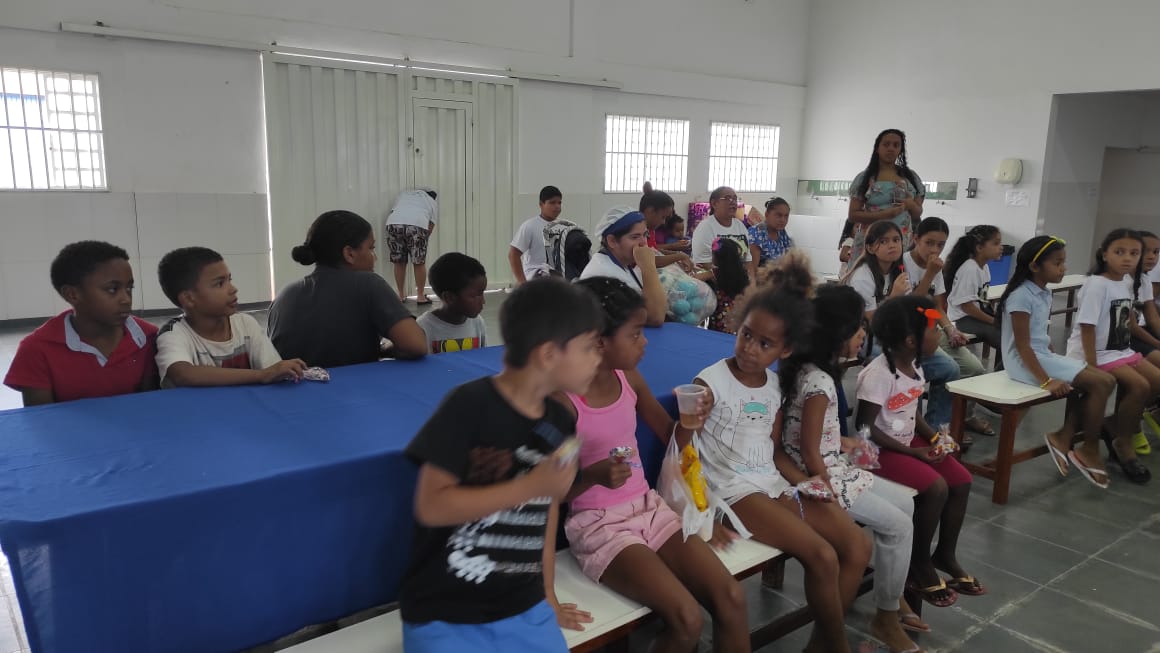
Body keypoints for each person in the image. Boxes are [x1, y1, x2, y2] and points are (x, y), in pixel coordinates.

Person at [399, 278, 603, 653]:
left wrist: (548, 595)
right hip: (445, 614)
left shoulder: (561, 421)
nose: (597, 358)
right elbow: (431, 505)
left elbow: (546, 512)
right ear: (548, 354)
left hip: (523, 608)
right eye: (589, 347)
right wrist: (529, 487)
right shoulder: (469, 405)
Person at [560, 277, 750, 652]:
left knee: (731, 597)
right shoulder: (564, 402)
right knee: (687, 618)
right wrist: (592, 475)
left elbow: (669, 437)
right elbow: (548, 491)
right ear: (599, 341)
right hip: (599, 524)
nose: (645, 342)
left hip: (649, 508)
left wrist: (690, 424)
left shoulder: (628, 378)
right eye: (635, 334)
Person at [692, 272, 872, 653]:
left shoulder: (773, 387)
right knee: (822, 555)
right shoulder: (711, 382)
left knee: (856, 544)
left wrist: (808, 483)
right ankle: (837, 647)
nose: (750, 349)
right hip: (734, 492)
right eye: (746, 335)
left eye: (765, 343)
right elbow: (686, 452)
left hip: (771, 483)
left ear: (785, 350)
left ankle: (822, 646)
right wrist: (702, 512)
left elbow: (773, 452)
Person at [780, 283, 922, 653]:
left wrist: (842, 441)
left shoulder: (810, 369)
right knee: (900, 525)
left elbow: (807, 430)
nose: (863, 334)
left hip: (829, 463)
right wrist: (827, 488)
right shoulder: (820, 381)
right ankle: (886, 615)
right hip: (820, 474)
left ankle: (890, 592)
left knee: (906, 504)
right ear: (837, 333)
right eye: (857, 327)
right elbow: (808, 450)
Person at [857, 295, 984, 609]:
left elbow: (911, 408)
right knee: (936, 487)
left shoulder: (914, 365)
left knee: (961, 480)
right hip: (878, 451)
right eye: (934, 330)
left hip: (906, 442)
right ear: (911, 340)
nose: (939, 335)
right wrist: (913, 453)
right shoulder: (878, 374)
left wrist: (935, 438)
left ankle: (945, 554)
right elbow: (865, 429)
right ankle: (919, 562)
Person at [998, 236, 1117, 488]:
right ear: (1034, 266)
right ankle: (1089, 448)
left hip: (1040, 355)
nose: (1063, 268)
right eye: (1057, 263)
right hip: (1023, 361)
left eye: (1063, 262)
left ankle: (1064, 436)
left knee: (1107, 381)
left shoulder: (1043, 291)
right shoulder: (1020, 296)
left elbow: (1038, 334)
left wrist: (1053, 354)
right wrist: (1047, 381)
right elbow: (1022, 346)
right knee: (1100, 383)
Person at [4, 241, 158, 406]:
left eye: (129, 288)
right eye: (112, 289)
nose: (126, 299)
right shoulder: (37, 349)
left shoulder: (148, 337)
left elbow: (150, 404)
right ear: (72, 294)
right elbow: (42, 417)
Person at [268, 210, 426, 367]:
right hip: (353, 383)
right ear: (349, 254)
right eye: (371, 248)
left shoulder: (284, 296)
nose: (375, 257)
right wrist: (384, 349)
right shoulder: (369, 284)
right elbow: (416, 345)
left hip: (297, 383)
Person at [1065, 229, 1160, 483]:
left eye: (1134, 253)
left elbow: (1128, 321)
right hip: (1097, 352)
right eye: (1120, 252)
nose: (1127, 258)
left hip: (1119, 349)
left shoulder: (1127, 282)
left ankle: (1115, 426)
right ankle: (1123, 442)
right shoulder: (1096, 284)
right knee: (1140, 386)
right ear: (1104, 254)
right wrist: (1092, 365)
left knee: (1155, 381)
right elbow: (1087, 327)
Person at [155, 247, 306, 387]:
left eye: (230, 280)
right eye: (220, 284)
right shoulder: (173, 333)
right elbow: (183, 374)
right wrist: (262, 375)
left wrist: (275, 372)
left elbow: (272, 369)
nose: (233, 289)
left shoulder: (245, 324)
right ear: (189, 298)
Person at [906, 218, 992, 437]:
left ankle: (940, 426)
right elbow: (908, 307)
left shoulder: (936, 267)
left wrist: (949, 329)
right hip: (907, 333)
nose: (935, 249)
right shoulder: (904, 263)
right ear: (916, 239)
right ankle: (918, 430)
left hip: (931, 330)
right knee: (926, 372)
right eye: (929, 243)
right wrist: (929, 274)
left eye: (941, 244)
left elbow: (936, 307)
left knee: (973, 368)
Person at [844, 129, 925, 272]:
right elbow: (853, 215)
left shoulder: (911, 178)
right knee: (866, 278)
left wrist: (911, 204)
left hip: (900, 242)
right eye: (886, 144)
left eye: (896, 145)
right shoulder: (864, 178)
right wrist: (886, 215)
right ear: (877, 148)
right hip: (871, 241)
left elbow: (917, 213)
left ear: (901, 150)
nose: (891, 148)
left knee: (897, 279)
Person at [577, 208, 667, 327]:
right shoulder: (604, 274)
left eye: (645, 235)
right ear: (612, 241)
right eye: (635, 237)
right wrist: (648, 266)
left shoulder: (622, 263)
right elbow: (655, 317)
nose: (644, 243)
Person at [945, 225, 1004, 370]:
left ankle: (1003, 372)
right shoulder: (970, 268)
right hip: (964, 320)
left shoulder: (984, 267)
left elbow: (982, 301)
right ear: (979, 248)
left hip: (976, 317)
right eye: (996, 243)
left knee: (1013, 334)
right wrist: (993, 321)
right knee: (1007, 340)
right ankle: (1001, 375)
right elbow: (967, 307)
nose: (1001, 247)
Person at [417, 252, 488, 354]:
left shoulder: (477, 323)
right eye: (476, 295)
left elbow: (483, 357)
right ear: (449, 297)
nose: (483, 301)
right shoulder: (423, 328)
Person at [385, 189, 438, 304]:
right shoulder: (431, 201)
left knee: (399, 261)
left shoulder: (404, 195)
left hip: (393, 223)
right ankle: (420, 297)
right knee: (418, 262)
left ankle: (400, 295)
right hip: (417, 225)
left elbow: (393, 211)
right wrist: (421, 243)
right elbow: (431, 225)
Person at [691, 186, 756, 279]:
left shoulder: (740, 226)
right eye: (727, 198)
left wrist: (752, 283)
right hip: (713, 280)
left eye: (735, 199)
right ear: (714, 203)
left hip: (739, 279)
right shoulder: (705, 228)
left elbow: (748, 261)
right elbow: (704, 265)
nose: (733, 202)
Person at [509, 186, 563, 284]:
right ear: (541, 204)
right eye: (552, 203)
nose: (557, 206)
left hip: (557, 280)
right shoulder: (530, 226)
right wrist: (523, 284)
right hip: (535, 279)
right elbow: (513, 255)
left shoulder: (564, 227)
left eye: (559, 203)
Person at [639, 190, 695, 270]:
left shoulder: (650, 230)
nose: (663, 222)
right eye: (663, 217)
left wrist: (677, 254)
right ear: (650, 211)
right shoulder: (637, 233)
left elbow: (654, 250)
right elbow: (651, 260)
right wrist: (679, 256)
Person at [706, 238, 749, 334]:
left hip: (719, 317)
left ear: (719, 258)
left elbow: (694, 278)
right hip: (735, 318)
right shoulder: (742, 274)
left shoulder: (715, 273)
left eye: (713, 254)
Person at [748, 197, 795, 266]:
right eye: (779, 215)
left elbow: (789, 259)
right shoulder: (756, 233)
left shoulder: (782, 232)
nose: (783, 220)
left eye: (786, 216)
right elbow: (752, 269)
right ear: (767, 215)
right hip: (763, 272)